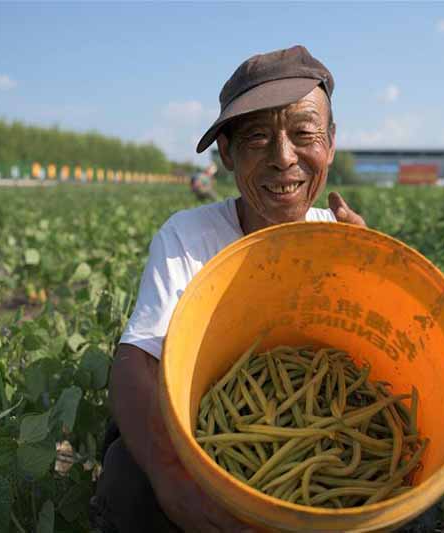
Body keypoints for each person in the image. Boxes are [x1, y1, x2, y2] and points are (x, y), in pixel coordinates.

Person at [90, 45, 366, 532]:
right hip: (206, 440)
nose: (284, 159)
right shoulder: (188, 239)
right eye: (258, 138)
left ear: (331, 141)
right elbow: (137, 358)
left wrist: (368, 274)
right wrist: (173, 478)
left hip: (325, 443)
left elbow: (373, 366)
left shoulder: (342, 240)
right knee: (129, 480)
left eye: (304, 134)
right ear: (227, 151)